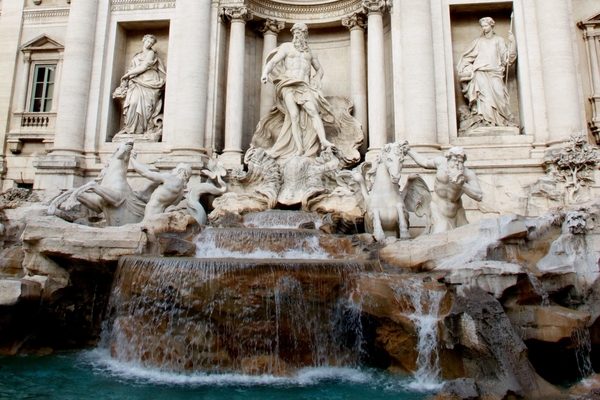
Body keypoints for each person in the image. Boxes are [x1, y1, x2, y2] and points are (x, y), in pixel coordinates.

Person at [255, 23, 335, 159]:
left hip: (304, 86)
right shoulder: (287, 47)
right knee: (294, 116)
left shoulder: (310, 52)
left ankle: (323, 141)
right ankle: (299, 148)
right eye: (296, 32)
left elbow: (320, 70)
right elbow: (273, 62)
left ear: (305, 35)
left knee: (314, 112)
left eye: (301, 32)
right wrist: (265, 73)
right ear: (293, 34)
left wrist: (317, 79)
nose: (298, 35)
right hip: (288, 84)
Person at [457, 17, 516, 132]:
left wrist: (512, 42)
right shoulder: (478, 42)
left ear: (491, 26)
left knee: (500, 95)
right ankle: (486, 121)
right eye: (482, 26)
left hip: (495, 73)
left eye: (486, 26)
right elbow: (466, 58)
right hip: (480, 73)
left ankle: (501, 121)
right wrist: (466, 68)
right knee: (484, 99)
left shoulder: (498, 40)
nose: (484, 28)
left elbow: (507, 59)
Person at [407, 146, 483, 233]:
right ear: (448, 158)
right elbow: (424, 162)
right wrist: (409, 151)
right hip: (438, 208)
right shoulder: (440, 162)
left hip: (457, 212)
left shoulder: (467, 174)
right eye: (454, 160)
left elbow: (479, 196)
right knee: (440, 233)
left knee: (466, 237)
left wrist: (463, 185)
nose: (457, 164)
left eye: (460, 162)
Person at [114, 34, 166, 136]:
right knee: (133, 103)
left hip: (149, 80)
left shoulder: (151, 53)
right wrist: (129, 77)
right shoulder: (137, 56)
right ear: (143, 40)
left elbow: (144, 66)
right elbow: (132, 67)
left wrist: (128, 74)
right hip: (136, 81)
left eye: (151, 43)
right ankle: (129, 128)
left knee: (146, 108)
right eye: (148, 41)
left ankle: (143, 130)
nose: (149, 44)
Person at [130, 151, 192, 219]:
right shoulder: (181, 191)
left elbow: (145, 173)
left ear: (180, 171)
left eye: (175, 168)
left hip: (152, 211)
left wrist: (132, 159)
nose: (173, 170)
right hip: (160, 214)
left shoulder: (170, 178)